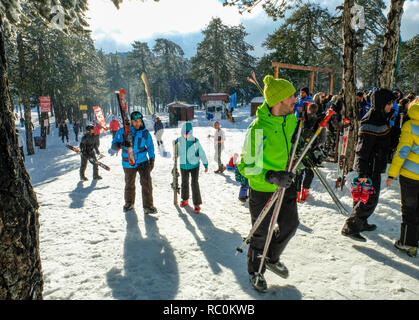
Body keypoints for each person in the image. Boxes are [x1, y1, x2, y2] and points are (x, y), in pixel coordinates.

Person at [237, 75, 298, 292]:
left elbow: (295, 142)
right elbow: (246, 166)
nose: (295, 100)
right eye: (291, 96)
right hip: (264, 188)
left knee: (291, 225)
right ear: (279, 100)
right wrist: (271, 175)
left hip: (286, 184)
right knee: (261, 233)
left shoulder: (290, 119)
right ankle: (256, 271)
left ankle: (271, 258)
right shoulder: (258, 129)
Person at [341, 88, 397, 242]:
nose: (391, 106)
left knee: (363, 196)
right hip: (368, 167)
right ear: (380, 103)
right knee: (369, 199)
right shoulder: (371, 120)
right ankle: (350, 227)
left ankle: (361, 222)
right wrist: (363, 173)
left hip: (373, 165)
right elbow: (362, 150)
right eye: (389, 103)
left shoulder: (380, 117)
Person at [386, 98, 419, 257]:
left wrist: (392, 173)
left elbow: (402, 152)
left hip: (410, 176)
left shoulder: (410, 126)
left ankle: (407, 243)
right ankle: (415, 239)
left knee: (409, 209)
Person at [108, 111, 156, 214]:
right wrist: (121, 144)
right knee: (129, 183)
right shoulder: (122, 131)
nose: (138, 123)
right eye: (135, 121)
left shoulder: (145, 132)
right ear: (131, 121)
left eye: (139, 121)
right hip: (128, 162)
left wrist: (152, 159)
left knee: (147, 183)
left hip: (143, 161)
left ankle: (148, 206)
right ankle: (129, 203)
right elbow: (113, 145)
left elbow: (150, 146)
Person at [175, 122, 208, 213]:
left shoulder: (195, 141)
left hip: (194, 166)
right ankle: (185, 199)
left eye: (188, 133)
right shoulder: (179, 141)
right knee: (184, 183)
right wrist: (175, 155)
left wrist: (205, 164)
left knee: (194, 183)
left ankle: (197, 203)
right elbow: (176, 152)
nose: (186, 135)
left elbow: (201, 152)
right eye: (184, 133)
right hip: (183, 165)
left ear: (191, 132)